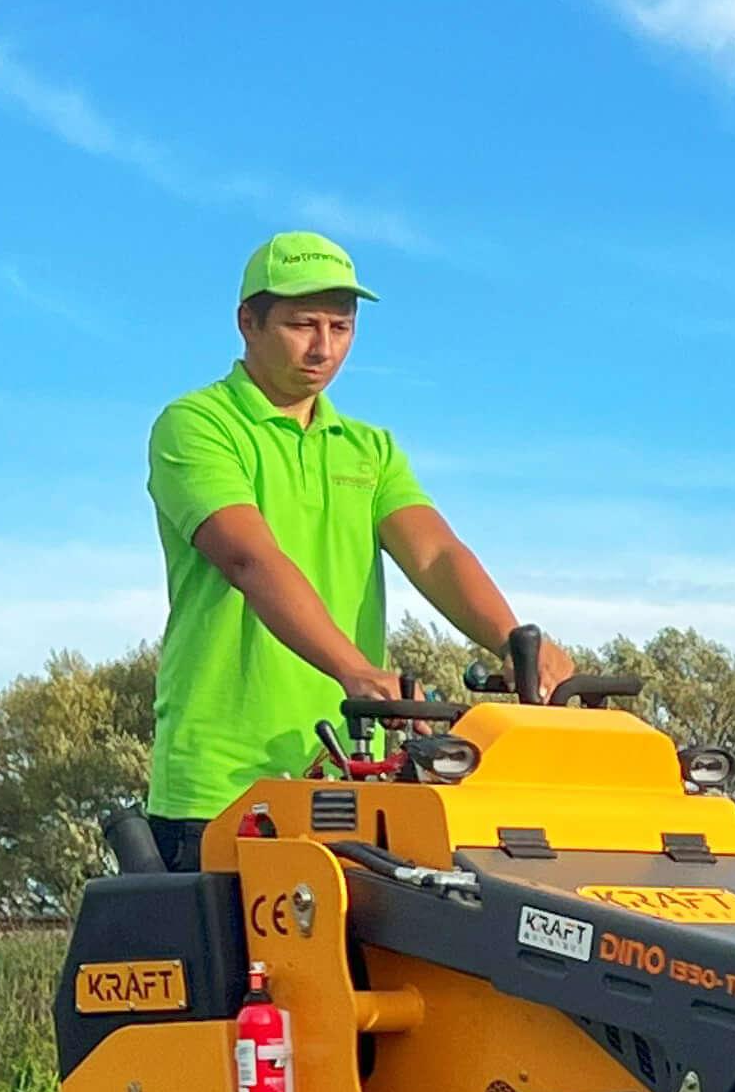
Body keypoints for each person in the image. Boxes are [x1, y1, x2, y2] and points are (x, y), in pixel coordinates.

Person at [141, 231, 576, 868]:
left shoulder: (368, 448)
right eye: (301, 324)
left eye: (341, 327)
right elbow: (248, 559)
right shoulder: (197, 425)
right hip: (221, 784)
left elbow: (436, 554)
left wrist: (513, 641)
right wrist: (353, 669)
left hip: (349, 778)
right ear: (248, 323)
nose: (323, 347)